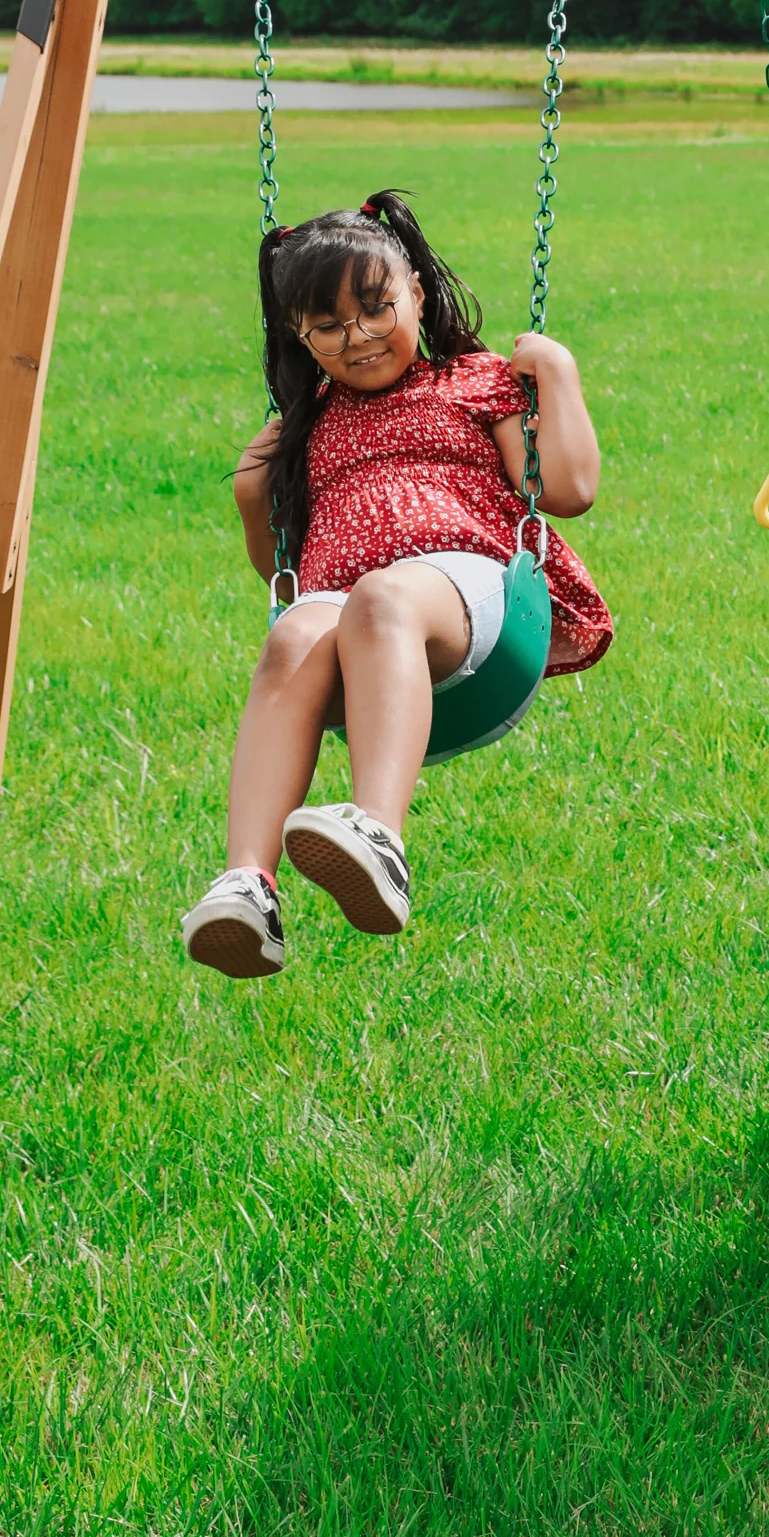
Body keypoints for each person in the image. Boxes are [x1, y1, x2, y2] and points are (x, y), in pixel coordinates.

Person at [179, 191, 611, 979]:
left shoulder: (475, 380)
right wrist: (253, 496)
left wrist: (558, 373)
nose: (359, 337)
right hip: (347, 609)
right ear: (299, 335)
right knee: (292, 635)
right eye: (329, 326)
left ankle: (377, 834)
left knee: (383, 597)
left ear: (415, 292)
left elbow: (569, 489)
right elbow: (281, 567)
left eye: (376, 308)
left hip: (468, 587)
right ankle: (249, 884)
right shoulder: (307, 420)